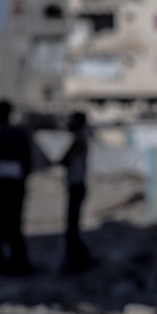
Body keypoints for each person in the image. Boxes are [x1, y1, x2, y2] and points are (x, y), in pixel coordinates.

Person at [0, 101, 32, 275]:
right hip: (14, 186)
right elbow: (28, 163)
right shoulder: (19, 135)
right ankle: (18, 264)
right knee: (13, 227)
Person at [59, 111, 92, 272]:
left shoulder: (80, 139)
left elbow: (65, 158)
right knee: (72, 228)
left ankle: (78, 261)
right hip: (76, 186)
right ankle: (77, 259)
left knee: (72, 228)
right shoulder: (80, 138)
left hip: (77, 186)